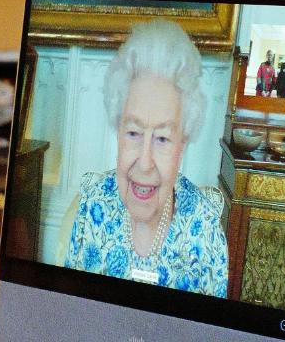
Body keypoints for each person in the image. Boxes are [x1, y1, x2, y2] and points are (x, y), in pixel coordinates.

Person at [64, 19, 229, 298]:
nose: (144, 162)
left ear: (183, 143)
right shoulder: (92, 209)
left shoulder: (205, 231)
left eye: (163, 138)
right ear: (118, 131)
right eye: (133, 133)